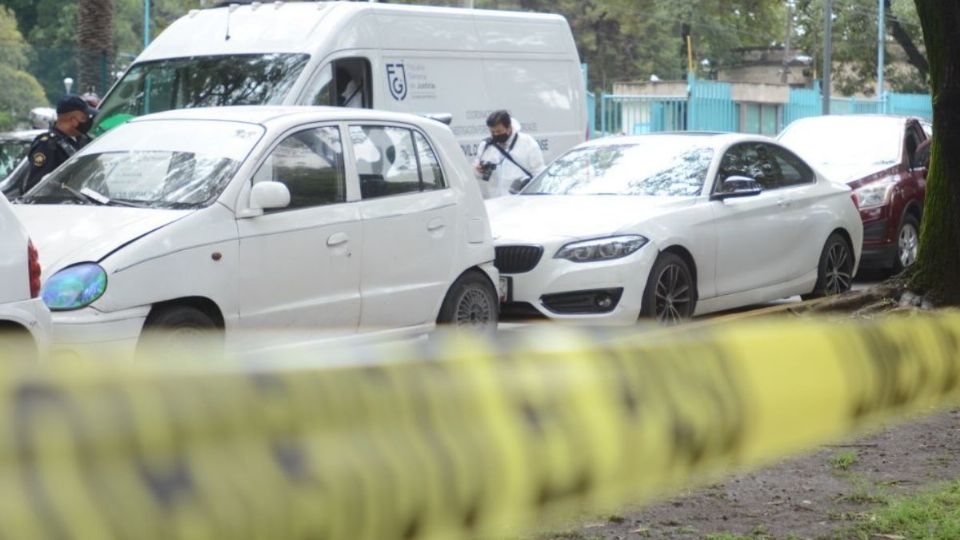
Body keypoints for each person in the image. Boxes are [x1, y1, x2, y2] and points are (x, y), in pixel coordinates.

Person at [19, 95, 98, 195]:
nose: (88, 121)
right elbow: (37, 188)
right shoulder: (48, 145)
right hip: (62, 206)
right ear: (73, 120)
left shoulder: (85, 140)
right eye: (84, 118)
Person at [474, 109, 545, 199]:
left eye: (499, 131)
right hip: (495, 202)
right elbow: (478, 177)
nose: (495, 134)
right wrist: (478, 170)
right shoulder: (486, 146)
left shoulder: (527, 142)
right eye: (492, 132)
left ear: (509, 128)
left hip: (520, 201)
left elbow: (538, 173)